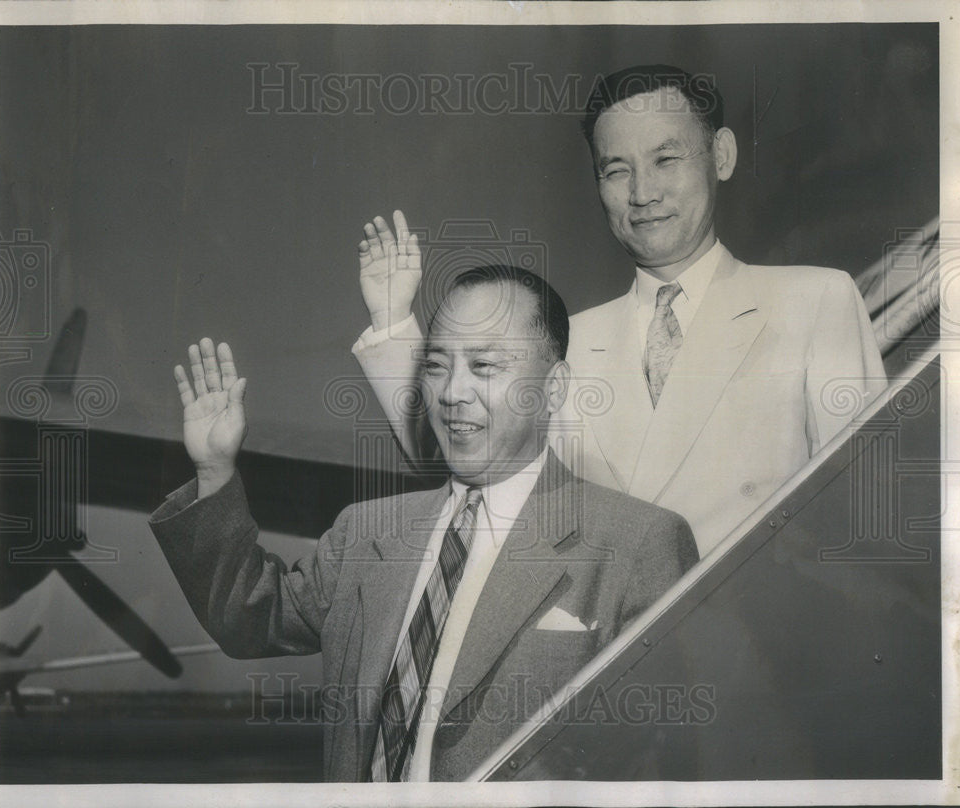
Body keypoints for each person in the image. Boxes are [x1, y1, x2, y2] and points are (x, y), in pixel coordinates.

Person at [148, 265, 698, 782]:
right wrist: (215, 471)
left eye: (485, 366)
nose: (452, 393)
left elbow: (663, 763)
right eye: (436, 365)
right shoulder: (366, 531)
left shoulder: (639, 545)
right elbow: (248, 619)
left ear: (552, 388)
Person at [351, 64, 887, 557]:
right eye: (616, 170)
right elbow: (467, 461)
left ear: (721, 154)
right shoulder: (570, 340)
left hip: (754, 643)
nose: (643, 193)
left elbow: (865, 509)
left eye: (666, 159)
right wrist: (394, 321)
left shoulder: (815, 301)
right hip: (601, 651)